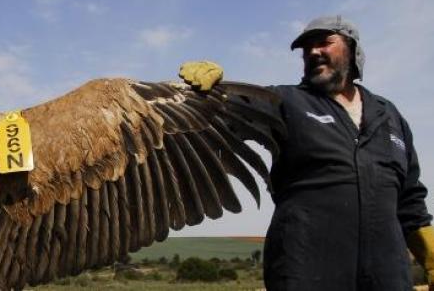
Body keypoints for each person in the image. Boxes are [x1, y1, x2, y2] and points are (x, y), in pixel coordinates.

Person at [180, 15, 434, 290]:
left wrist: (430, 259)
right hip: (306, 269)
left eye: (324, 42)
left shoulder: (389, 116)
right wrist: (211, 94)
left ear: (353, 50)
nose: (314, 52)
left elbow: (409, 199)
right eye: (307, 48)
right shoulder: (283, 102)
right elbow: (225, 114)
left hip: (386, 276)